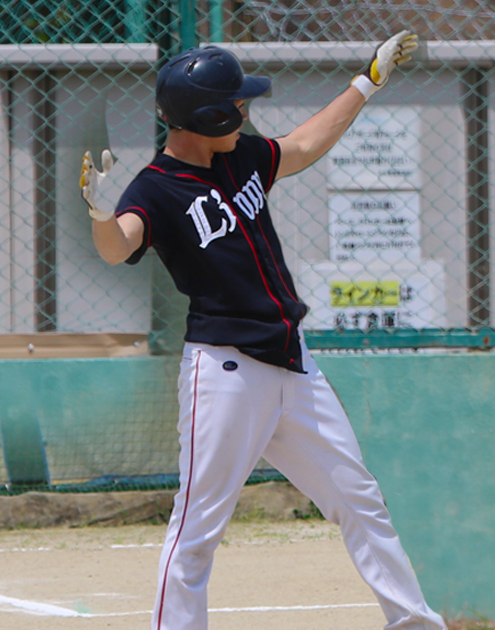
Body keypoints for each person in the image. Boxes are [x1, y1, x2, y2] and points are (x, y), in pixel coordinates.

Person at [80, 37, 447, 630]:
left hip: (292, 363)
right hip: (225, 375)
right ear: (208, 117)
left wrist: (368, 80)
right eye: (235, 103)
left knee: (359, 500)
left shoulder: (241, 157)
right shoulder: (155, 187)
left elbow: (304, 143)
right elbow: (119, 244)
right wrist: (99, 215)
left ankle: (415, 625)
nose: (245, 110)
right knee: (197, 529)